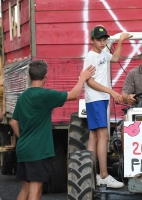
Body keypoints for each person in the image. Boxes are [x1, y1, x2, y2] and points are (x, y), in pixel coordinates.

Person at [9, 60, 95, 200]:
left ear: (29, 76)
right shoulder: (46, 95)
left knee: (25, 190)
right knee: (35, 192)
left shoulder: (22, 97)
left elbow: (13, 122)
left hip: (23, 149)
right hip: (38, 151)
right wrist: (83, 78)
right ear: (46, 76)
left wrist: (24, 137)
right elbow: (74, 94)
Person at [83, 25, 132, 188]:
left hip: (100, 98)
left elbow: (116, 58)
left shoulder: (103, 53)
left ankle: (91, 174)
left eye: (104, 39)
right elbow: (89, 80)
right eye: (99, 39)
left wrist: (121, 41)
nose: (103, 42)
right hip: (96, 98)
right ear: (92, 40)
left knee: (95, 136)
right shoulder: (91, 57)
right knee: (103, 135)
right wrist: (111, 91)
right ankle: (103, 175)